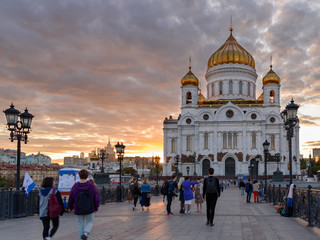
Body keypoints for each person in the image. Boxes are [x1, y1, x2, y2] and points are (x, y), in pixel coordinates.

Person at [68, 169, 100, 240]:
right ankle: (85, 233)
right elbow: (96, 197)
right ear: (87, 176)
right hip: (90, 207)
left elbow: (71, 198)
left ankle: (81, 238)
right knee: (90, 222)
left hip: (78, 207)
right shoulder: (91, 186)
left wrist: (71, 207)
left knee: (80, 223)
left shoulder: (75, 186)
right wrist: (96, 207)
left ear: (79, 176)